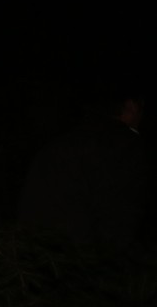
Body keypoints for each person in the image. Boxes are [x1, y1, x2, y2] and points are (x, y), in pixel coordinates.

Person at [17, 87, 148, 255]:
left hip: (39, 254)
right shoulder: (124, 145)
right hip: (79, 257)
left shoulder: (63, 141)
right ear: (131, 106)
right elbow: (120, 218)